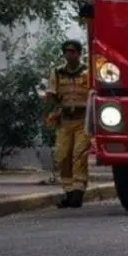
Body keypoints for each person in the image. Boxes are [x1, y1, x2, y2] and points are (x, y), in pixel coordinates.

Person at [44, 39, 91, 208]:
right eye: (66, 52)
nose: (69, 55)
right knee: (63, 155)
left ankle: (78, 191)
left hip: (83, 120)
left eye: (73, 52)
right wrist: (51, 113)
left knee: (79, 154)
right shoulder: (57, 73)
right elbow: (52, 95)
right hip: (65, 120)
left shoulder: (88, 72)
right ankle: (69, 191)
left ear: (79, 54)